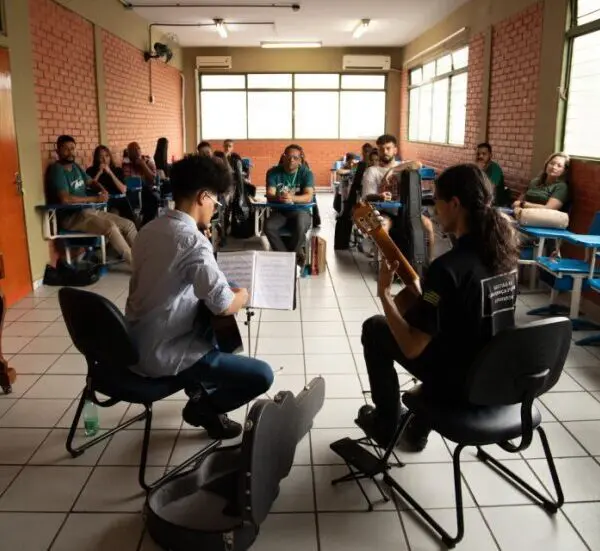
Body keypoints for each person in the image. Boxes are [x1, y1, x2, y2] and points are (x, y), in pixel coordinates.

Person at [356, 164, 519, 451]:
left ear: (455, 204)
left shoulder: (448, 268)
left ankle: (386, 425)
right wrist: (415, 293)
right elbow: (447, 305)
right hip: (499, 376)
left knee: (374, 328)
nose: (434, 211)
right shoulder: (504, 254)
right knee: (446, 336)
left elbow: (411, 347)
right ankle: (418, 428)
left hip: (459, 387)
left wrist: (383, 293)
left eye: (437, 203)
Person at [126, 155, 273, 439]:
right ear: (203, 196)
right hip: (165, 352)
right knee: (262, 375)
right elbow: (224, 306)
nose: (215, 208)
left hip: (133, 340)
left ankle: (201, 387)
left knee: (213, 326)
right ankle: (204, 408)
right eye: (215, 202)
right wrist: (243, 294)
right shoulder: (191, 241)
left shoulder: (150, 228)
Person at [46, 135, 137, 265]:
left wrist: (102, 190)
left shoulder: (76, 167)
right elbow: (65, 198)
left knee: (129, 225)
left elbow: (91, 182)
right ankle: (137, 266)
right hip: (72, 217)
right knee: (110, 227)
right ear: (58, 151)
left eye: (72, 148)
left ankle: (145, 257)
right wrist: (95, 198)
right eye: (65, 149)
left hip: (89, 211)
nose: (70, 152)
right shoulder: (57, 170)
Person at [362, 134, 435, 262]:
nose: (384, 152)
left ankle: (430, 263)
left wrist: (392, 171)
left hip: (406, 210)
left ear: (395, 150)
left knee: (428, 225)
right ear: (377, 151)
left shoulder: (403, 166)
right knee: (383, 226)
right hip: (384, 211)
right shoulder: (372, 171)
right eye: (381, 149)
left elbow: (418, 164)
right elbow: (366, 196)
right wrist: (380, 196)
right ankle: (381, 265)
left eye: (388, 148)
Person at [264, 144, 314, 263]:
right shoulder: (273, 172)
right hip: (280, 211)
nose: (292, 160)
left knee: (300, 224)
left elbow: (308, 196)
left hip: (302, 211)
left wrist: (292, 198)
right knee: (268, 226)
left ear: (300, 160)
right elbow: (270, 194)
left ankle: (289, 257)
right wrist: (279, 197)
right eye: (289, 157)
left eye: (295, 158)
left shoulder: (306, 173)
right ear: (283, 156)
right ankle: (288, 259)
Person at [87, 145, 135, 222]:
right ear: (96, 158)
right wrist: (99, 172)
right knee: (113, 216)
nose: (104, 159)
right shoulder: (90, 170)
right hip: (100, 202)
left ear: (110, 157)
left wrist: (110, 173)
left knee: (122, 209)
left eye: (107, 156)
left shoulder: (117, 170)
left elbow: (123, 189)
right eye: (100, 157)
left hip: (118, 202)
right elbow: (89, 187)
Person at [122, 141, 160, 225]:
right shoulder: (126, 163)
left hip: (149, 191)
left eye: (138, 148)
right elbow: (128, 180)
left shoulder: (148, 160)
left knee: (153, 200)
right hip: (132, 192)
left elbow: (153, 179)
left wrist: (143, 164)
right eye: (132, 150)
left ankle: (144, 225)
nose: (136, 151)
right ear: (129, 152)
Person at [476, 142, 510, 207]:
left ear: (490, 155)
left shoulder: (496, 169)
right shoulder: (476, 167)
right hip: (481, 201)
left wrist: (480, 171)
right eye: (478, 154)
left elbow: (489, 189)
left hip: (495, 205)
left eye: (484, 154)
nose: (480, 156)